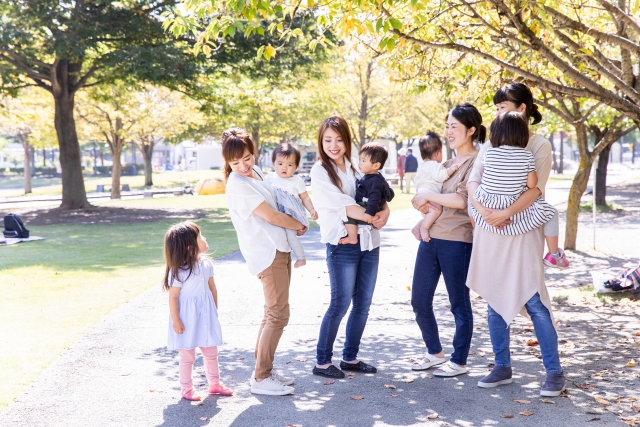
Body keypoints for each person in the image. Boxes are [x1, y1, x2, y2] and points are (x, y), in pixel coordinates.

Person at [466, 82, 565, 397]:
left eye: (502, 106)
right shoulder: (491, 143)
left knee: (535, 301)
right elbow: (473, 180)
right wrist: (484, 211)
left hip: (522, 231)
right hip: (491, 230)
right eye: (496, 107)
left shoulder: (539, 146)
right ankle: (502, 365)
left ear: (522, 109)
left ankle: (554, 371)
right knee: (494, 300)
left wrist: (503, 211)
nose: (497, 112)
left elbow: (535, 190)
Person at [223, 128, 307, 396]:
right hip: (265, 254)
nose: (243, 166)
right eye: (235, 163)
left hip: (278, 248)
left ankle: (265, 370)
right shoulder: (237, 184)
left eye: (247, 158)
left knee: (274, 312)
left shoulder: (255, 172)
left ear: (253, 152)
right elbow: (270, 215)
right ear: (228, 162)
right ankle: (261, 378)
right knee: (277, 314)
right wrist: (298, 224)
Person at [310, 116, 390, 379]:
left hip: (369, 243)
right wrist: (371, 216)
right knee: (340, 303)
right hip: (342, 244)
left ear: (347, 140)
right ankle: (322, 362)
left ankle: (350, 358)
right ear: (321, 142)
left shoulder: (358, 167)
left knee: (363, 304)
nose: (334, 145)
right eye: (328, 140)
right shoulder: (320, 171)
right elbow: (346, 204)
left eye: (339, 139)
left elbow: (377, 192)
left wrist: (385, 212)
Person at [410, 103, 483, 377]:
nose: (449, 132)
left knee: (459, 304)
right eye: (447, 126)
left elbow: (463, 201)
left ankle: (459, 360)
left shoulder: (478, 162)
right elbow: (435, 198)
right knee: (419, 300)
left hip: (458, 241)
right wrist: (423, 218)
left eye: (455, 127)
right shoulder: (444, 163)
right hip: (431, 240)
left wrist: (428, 198)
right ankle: (435, 352)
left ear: (471, 130)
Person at [164, 221, 233, 401]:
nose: (204, 239)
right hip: (186, 319)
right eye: (200, 237)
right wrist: (176, 320)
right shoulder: (178, 271)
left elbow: (212, 289)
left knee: (211, 352)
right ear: (190, 247)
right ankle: (187, 388)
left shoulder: (206, 264)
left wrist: (213, 311)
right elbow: (173, 297)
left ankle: (215, 384)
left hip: (205, 316)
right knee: (188, 355)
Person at [469, 112, 560, 248]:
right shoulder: (527, 155)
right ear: (522, 134)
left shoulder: (489, 152)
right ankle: (554, 254)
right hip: (514, 210)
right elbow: (532, 184)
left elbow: (486, 178)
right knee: (552, 213)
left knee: (470, 203)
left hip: (487, 206)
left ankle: (477, 234)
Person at [267, 143, 318, 268]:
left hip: (291, 214)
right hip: (275, 212)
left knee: (291, 237)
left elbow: (305, 197)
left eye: (289, 165)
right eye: (280, 164)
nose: (285, 168)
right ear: (274, 163)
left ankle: (301, 257)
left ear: (296, 167)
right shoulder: (269, 177)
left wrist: (311, 209)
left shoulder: (297, 180)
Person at [341, 142, 395, 245]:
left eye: (364, 160)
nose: (359, 163)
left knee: (347, 215)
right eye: (360, 159)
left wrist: (369, 213)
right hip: (369, 205)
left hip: (370, 207)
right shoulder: (373, 177)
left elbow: (375, 198)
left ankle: (352, 237)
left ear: (376, 165)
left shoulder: (374, 181)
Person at [410, 132, 459, 242]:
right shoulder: (434, 165)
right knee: (436, 211)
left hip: (421, 193)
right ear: (438, 153)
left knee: (429, 214)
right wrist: (450, 170)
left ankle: (418, 226)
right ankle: (423, 228)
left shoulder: (422, 166)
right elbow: (440, 176)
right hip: (429, 193)